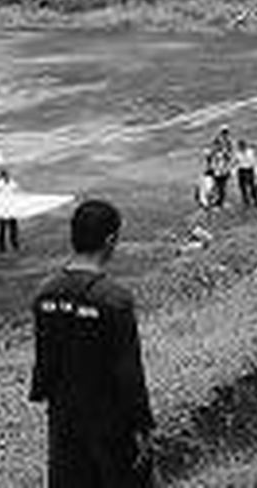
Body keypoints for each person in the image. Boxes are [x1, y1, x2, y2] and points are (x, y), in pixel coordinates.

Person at [30, 199, 155, 487]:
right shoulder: (115, 299)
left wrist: (45, 395)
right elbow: (128, 371)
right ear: (110, 240)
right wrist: (142, 424)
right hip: (111, 422)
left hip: (63, 420)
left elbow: (44, 363)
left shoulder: (45, 294)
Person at [206, 126, 235, 208]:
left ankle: (219, 202)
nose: (225, 134)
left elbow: (230, 155)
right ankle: (216, 202)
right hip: (218, 168)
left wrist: (230, 164)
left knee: (222, 186)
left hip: (223, 168)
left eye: (226, 132)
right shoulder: (217, 142)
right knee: (218, 186)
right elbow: (210, 154)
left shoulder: (229, 142)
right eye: (224, 132)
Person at [0, 174, 21, 253]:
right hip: (3, 209)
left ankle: (14, 243)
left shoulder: (13, 184)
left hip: (11, 209)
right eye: (5, 177)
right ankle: (1, 245)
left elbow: (17, 193)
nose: (6, 178)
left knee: (13, 228)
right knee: (2, 228)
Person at [235, 140, 257, 207]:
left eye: (241, 146)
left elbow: (254, 159)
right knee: (242, 186)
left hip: (249, 169)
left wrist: (256, 171)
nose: (240, 148)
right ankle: (246, 201)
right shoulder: (238, 153)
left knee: (252, 186)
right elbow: (236, 162)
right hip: (241, 170)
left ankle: (256, 201)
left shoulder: (250, 152)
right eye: (239, 147)